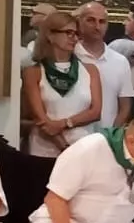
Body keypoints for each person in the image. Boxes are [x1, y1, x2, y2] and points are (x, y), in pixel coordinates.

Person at [23, 10, 103, 156]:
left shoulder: (90, 70)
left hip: (83, 148)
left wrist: (65, 123)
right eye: (68, 32)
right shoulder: (33, 72)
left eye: (76, 34)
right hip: (45, 150)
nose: (74, 38)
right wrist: (65, 147)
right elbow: (40, 118)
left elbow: (95, 112)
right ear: (50, 35)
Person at [71, 1, 134, 127]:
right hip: (73, 134)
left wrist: (111, 136)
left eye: (102, 22)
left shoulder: (120, 61)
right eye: (91, 20)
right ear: (79, 22)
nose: (97, 26)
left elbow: (125, 107)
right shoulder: (69, 55)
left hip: (106, 136)